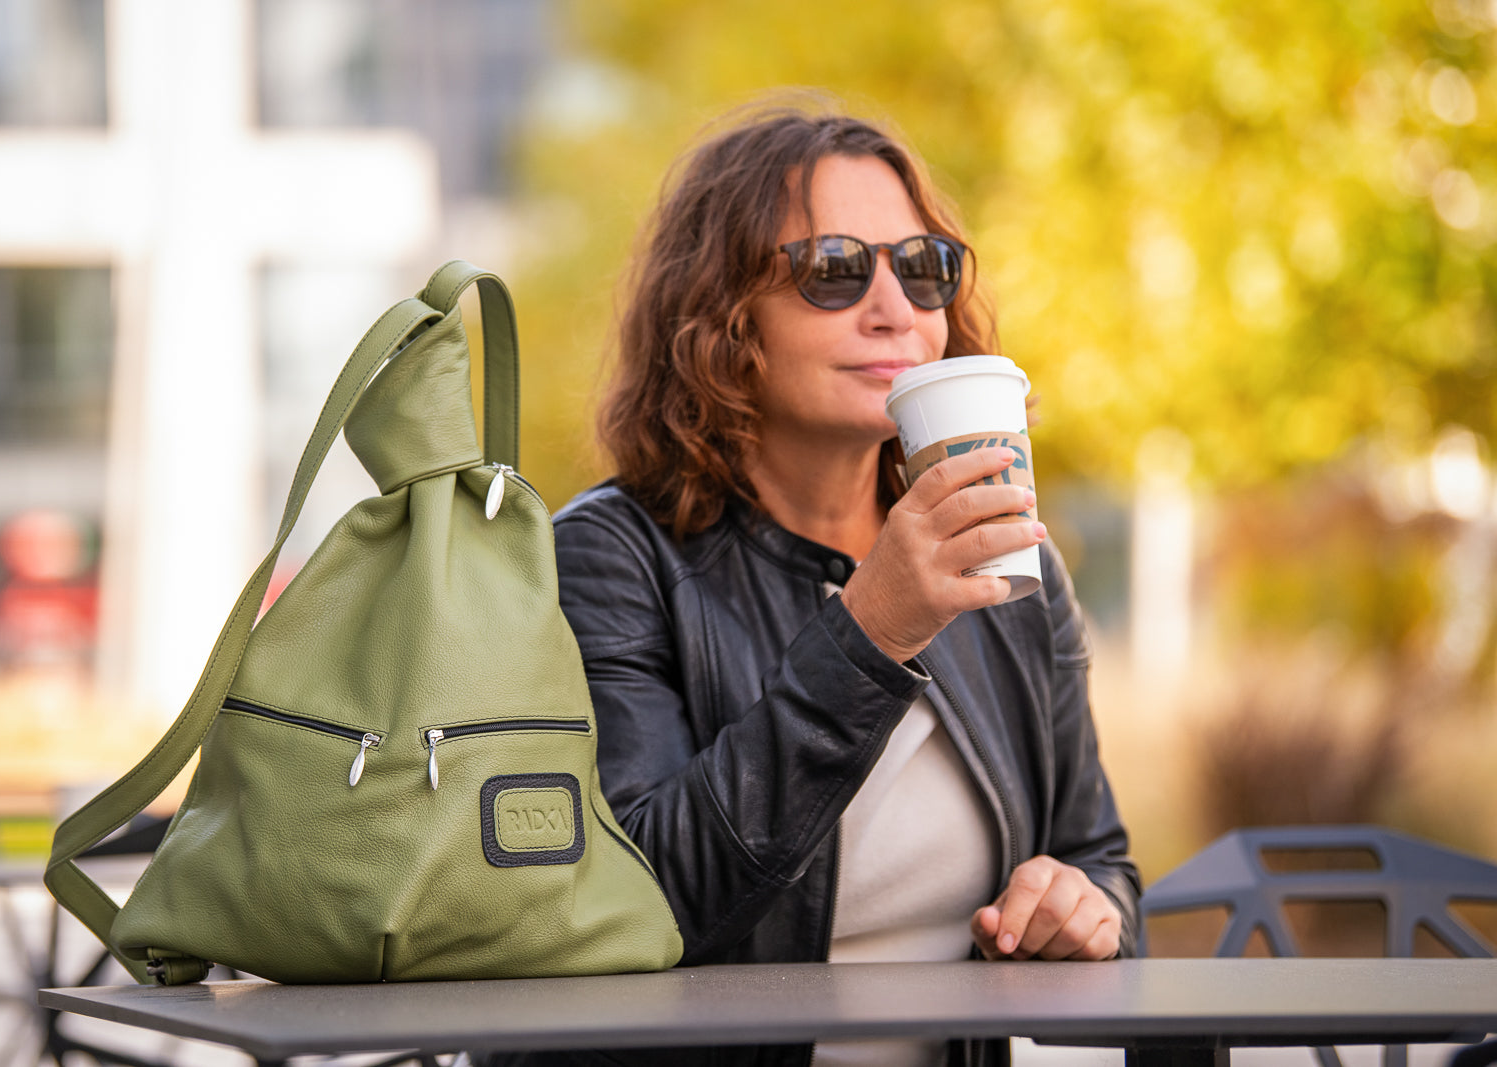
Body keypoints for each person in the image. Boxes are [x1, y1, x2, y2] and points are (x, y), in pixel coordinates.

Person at [487, 103, 1140, 1067]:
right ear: (719, 315)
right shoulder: (611, 557)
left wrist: (1085, 910)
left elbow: (1106, 865)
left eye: (924, 268)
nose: (897, 309)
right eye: (835, 269)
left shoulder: (1012, 559)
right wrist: (870, 633)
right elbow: (632, 906)